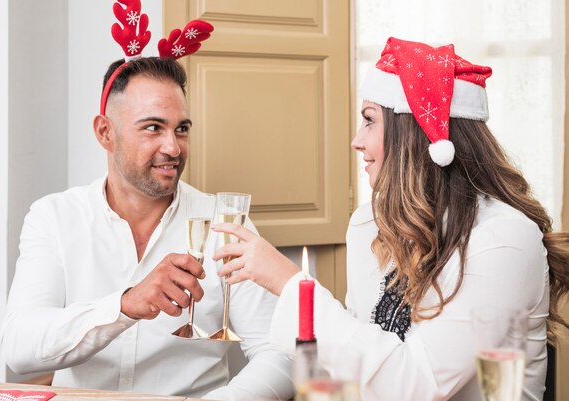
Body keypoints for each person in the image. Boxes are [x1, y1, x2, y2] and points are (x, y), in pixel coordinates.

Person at [212, 37, 569, 401]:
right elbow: (356, 367)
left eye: (369, 121)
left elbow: (417, 384)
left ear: (415, 134)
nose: (356, 140)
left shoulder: (503, 238)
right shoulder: (369, 224)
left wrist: (291, 284)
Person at [1, 55, 294, 401]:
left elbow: (283, 353)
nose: (172, 148)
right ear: (105, 132)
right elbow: (19, 348)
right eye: (153, 127)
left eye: (181, 129)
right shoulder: (54, 217)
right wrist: (123, 307)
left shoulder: (223, 222)